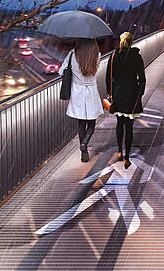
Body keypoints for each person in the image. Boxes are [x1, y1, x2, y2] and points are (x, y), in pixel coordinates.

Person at [105, 32, 146, 169]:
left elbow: (108, 78)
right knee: (129, 127)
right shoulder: (136, 57)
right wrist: (140, 94)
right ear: (131, 42)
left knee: (119, 124)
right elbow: (142, 78)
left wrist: (111, 94)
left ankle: (119, 152)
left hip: (118, 95)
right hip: (132, 95)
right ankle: (127, 158)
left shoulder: (113, 57)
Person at [59, 38, 103, 162]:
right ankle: (84, 142)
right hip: (91, 92)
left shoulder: (73, 54)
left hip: (77, 92)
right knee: (92, 123)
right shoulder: (97, 55)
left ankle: (84, 153)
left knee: (81, 124)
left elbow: (61, 71)